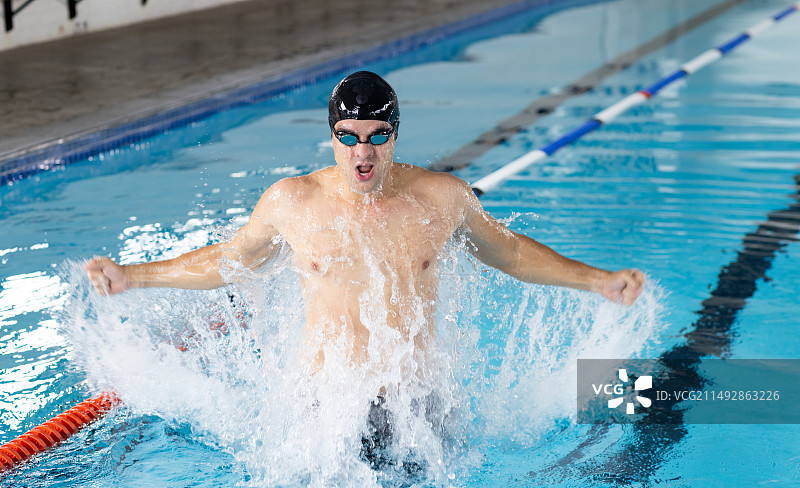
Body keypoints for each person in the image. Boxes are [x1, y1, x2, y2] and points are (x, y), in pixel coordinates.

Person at [85, 70, 644, 374]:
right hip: (327, 404)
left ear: (395, 136)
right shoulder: (291, 201)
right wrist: (134, 276)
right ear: (331, 137)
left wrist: (598, 281)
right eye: (348, 137)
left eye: (378, 136)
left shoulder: (442, 198)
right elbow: (230, 260)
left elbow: (510, 253)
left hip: (416, 401)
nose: (363, 153)